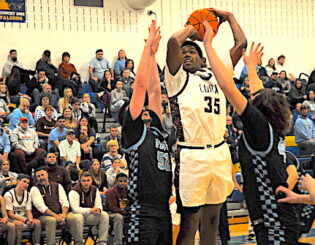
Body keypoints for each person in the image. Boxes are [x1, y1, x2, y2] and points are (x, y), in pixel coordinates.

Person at [201, 20, 300, 244]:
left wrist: (208, 45)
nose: (250, 98)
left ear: (259, 110)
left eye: (253, 100)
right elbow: (259, 95)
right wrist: (251, 67)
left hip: (274, 220)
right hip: (277, 218)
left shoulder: (260, 128)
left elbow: (227, 85)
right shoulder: (271, 128)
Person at [165, 9, 246, 244]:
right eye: (184, 52)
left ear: (203, 59)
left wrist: (230, 17)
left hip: (220, 152)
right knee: (189, 224)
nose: (187, 54)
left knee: (212, 223)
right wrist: (198, 28)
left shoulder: (217, 75)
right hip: (192, 154)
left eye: (193, 52)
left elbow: (241, 44)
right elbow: (173, 42)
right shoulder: (176, 78)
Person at [119, 20, 172, 244]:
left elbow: (154, 90)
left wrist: (153, 55)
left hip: (164, 211)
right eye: (139, 109)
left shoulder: (158, 131)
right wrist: (145, 49)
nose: (144, 110)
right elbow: (140, 87)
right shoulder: (133, 133)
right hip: (142, 212)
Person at [30, 167, 83, 245]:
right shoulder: (34, 189)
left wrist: (64, 215)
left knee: (76, 218)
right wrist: (56, 216)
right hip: (43, 216)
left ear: (47, 175)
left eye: (42, 175)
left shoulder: (58, 186)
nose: (41, 178)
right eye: (38, 176)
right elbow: (41, 207)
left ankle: (79, 243)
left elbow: (64, 202)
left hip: (61, 214)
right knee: (51, 220)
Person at [68, 171, 110, 245]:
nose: (86, 183)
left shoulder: (95, 189)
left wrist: (98, 210)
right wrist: (90, 210)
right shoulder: (74, 191)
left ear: (92, 180)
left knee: (104, 215)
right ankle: (79, 243)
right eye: (84, 181)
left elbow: (99, 205)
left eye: (88, 180)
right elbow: (75, 209)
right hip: (73, 215)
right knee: (78, 217)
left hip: (89, 215)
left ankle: (102, 242)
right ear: (80, 181)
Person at [4, 174, 42, 245]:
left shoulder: (27, 194)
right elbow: (10, 214)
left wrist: (30, 219)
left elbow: (28, 211)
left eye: (28, 183)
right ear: (18, 181)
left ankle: (37, 243)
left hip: (24, 218)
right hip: (12, 219)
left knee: (37, 222)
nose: (26, 184)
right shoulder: (8, 194)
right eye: (24, 181)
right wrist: (25, 220)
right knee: (19, 223)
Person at [106, 172, 128, 245]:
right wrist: (125, 212)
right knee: (119, 217)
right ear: (116, 181)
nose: (123, 183)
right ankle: (118, 243)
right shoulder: (111, 191)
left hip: (126, 213)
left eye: (125, 181)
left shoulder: (130, 191)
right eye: (120, 181)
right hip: (111, 214)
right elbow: (112, 208)